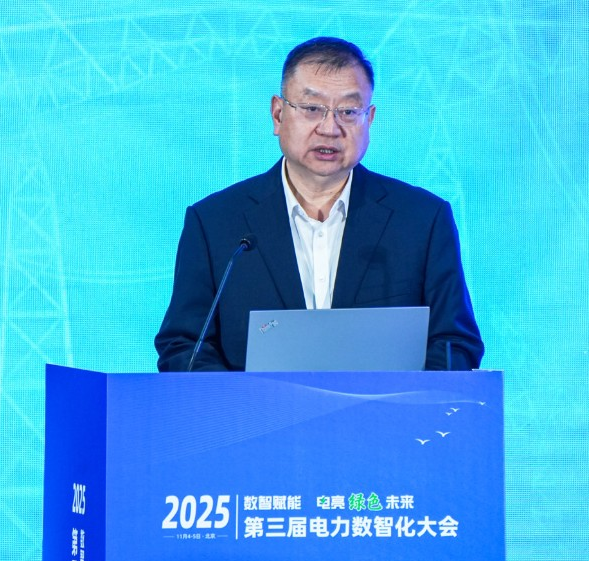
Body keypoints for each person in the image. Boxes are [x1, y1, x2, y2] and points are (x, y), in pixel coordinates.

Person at [155, 37, 484, 372]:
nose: (330, 128)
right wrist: (245, 402)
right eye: (312, 108)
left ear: (369, 119)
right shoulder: (215, 223)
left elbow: (454, 344)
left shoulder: (421, 220)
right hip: (255, 408)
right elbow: (184, 347)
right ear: (278, 114)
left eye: (348, 112)